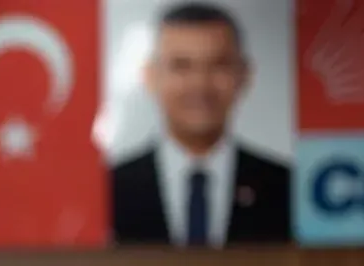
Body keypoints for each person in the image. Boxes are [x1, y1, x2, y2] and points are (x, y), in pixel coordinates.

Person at [110, 2, 291, 247]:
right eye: (181, 66)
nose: (200, 84)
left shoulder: (287, 188)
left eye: (218, 65)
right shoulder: (109, 190)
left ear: (244, 75)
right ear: (150, 77)